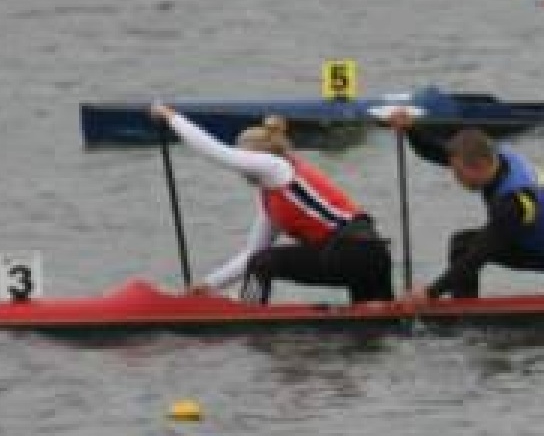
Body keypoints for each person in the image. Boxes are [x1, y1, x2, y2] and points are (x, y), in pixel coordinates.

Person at [153, 106, 391, 305]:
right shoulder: (276, 196)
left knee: (263, 263)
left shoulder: (276, 167)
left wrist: (171, 116)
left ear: (257, 157)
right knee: (371, 330)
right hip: (372, 254)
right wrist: (207, 286)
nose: (241, 169)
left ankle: (248, 312)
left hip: (349, 250)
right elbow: (252, 255)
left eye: (243, 158)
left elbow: (216, 152)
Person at [378, 104, 544, 300]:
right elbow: (439, 153)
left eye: (458, 173)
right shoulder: (494, 154)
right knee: (462, 244)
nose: (455, 178)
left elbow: (479, 256)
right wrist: (411, 130)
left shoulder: (513, 201)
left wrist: (429, 293)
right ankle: (465, 317)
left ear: (478, 166)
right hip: (534, 243)